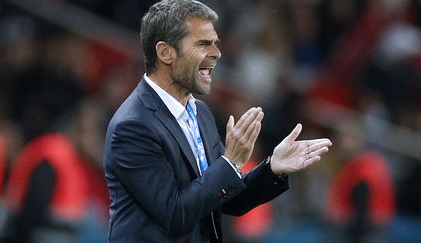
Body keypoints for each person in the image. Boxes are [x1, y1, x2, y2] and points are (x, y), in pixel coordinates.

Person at [103, 0, 332, 242]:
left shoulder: (200, 113)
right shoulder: (133, 126)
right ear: (165, 53)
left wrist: (272, 168)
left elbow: (225, 198)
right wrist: (231, 161)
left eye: (215, 43)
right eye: (203, 44)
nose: (216, 53)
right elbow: (175, 214)